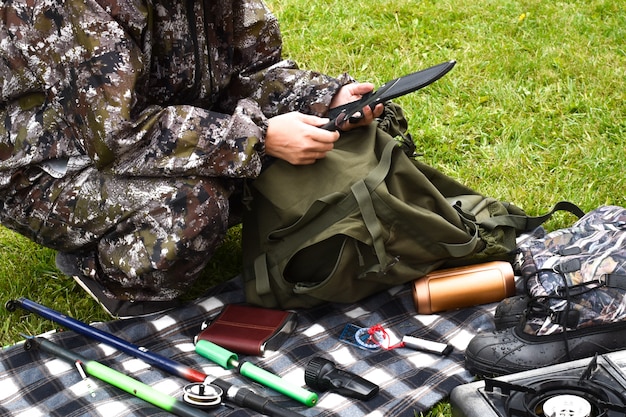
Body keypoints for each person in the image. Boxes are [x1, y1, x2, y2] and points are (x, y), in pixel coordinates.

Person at [0, 0, 383, 317]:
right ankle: (99, 266)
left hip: (160, 128)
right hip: (49, 169)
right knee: (192, 206)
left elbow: (254, 72)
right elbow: (118, 136)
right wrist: (259, 138)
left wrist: (324, 99)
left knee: (343, 140)